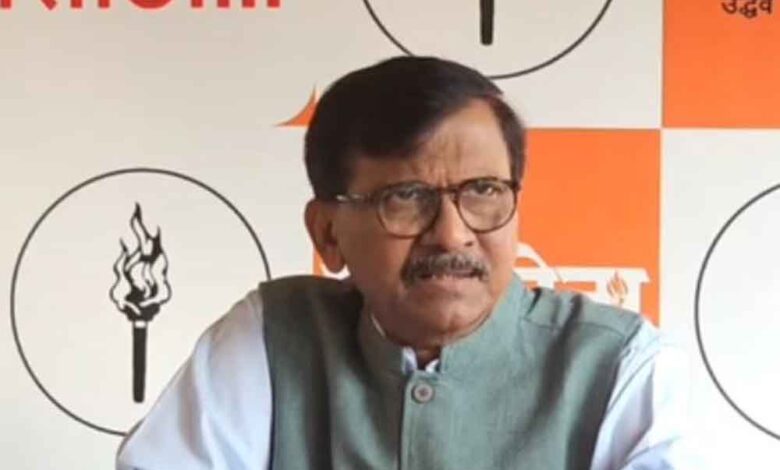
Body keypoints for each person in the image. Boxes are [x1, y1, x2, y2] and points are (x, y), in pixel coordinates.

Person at [116, 56, 691, 469]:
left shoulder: (619, 363)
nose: (453, 234)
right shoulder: (272, 337)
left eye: (484, 190)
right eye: (407, 197)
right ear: (329, 233)